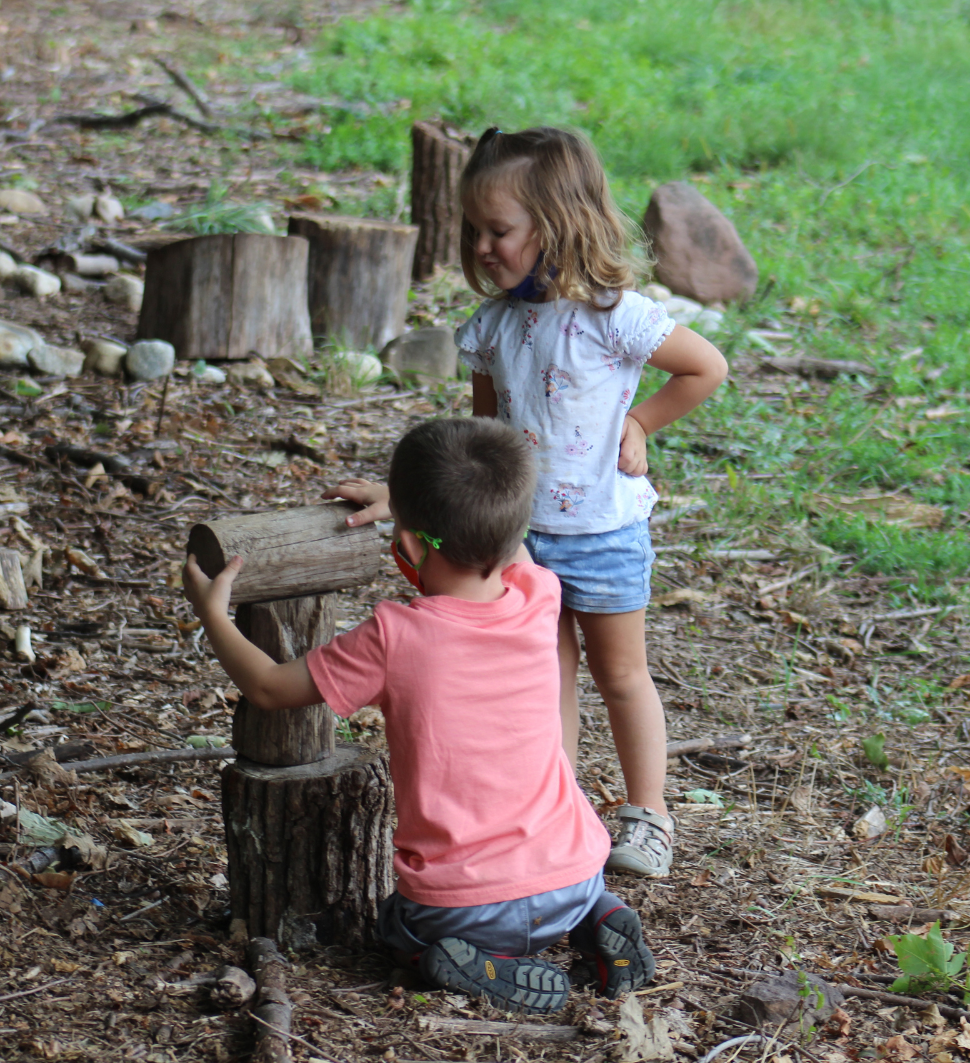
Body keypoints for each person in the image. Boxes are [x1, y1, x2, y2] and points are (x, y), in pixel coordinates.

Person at [339, 127, 728, 879]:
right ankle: (560, 809)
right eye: (474, 231)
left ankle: (648, 813)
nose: (483, 246)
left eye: (500, 231)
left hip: (604, 532)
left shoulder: (614, 316)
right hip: (517, 542)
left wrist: (641, 421)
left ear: (558, 224)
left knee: (621, 675)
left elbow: (705, 368)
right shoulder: (492, 329)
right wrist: (405, 498)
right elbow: (480, 444)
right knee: (546, 675)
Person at [185, 418, 655, 1015]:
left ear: (407, 548)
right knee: (566, 890)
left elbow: (270, 687)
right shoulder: (541, 594)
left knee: (396, 926)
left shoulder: (394, 638)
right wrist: (407, 512)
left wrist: (214, 615)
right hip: (577, 874)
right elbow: (502, 540)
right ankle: (600, 918)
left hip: (464, 906)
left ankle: (489, 965)